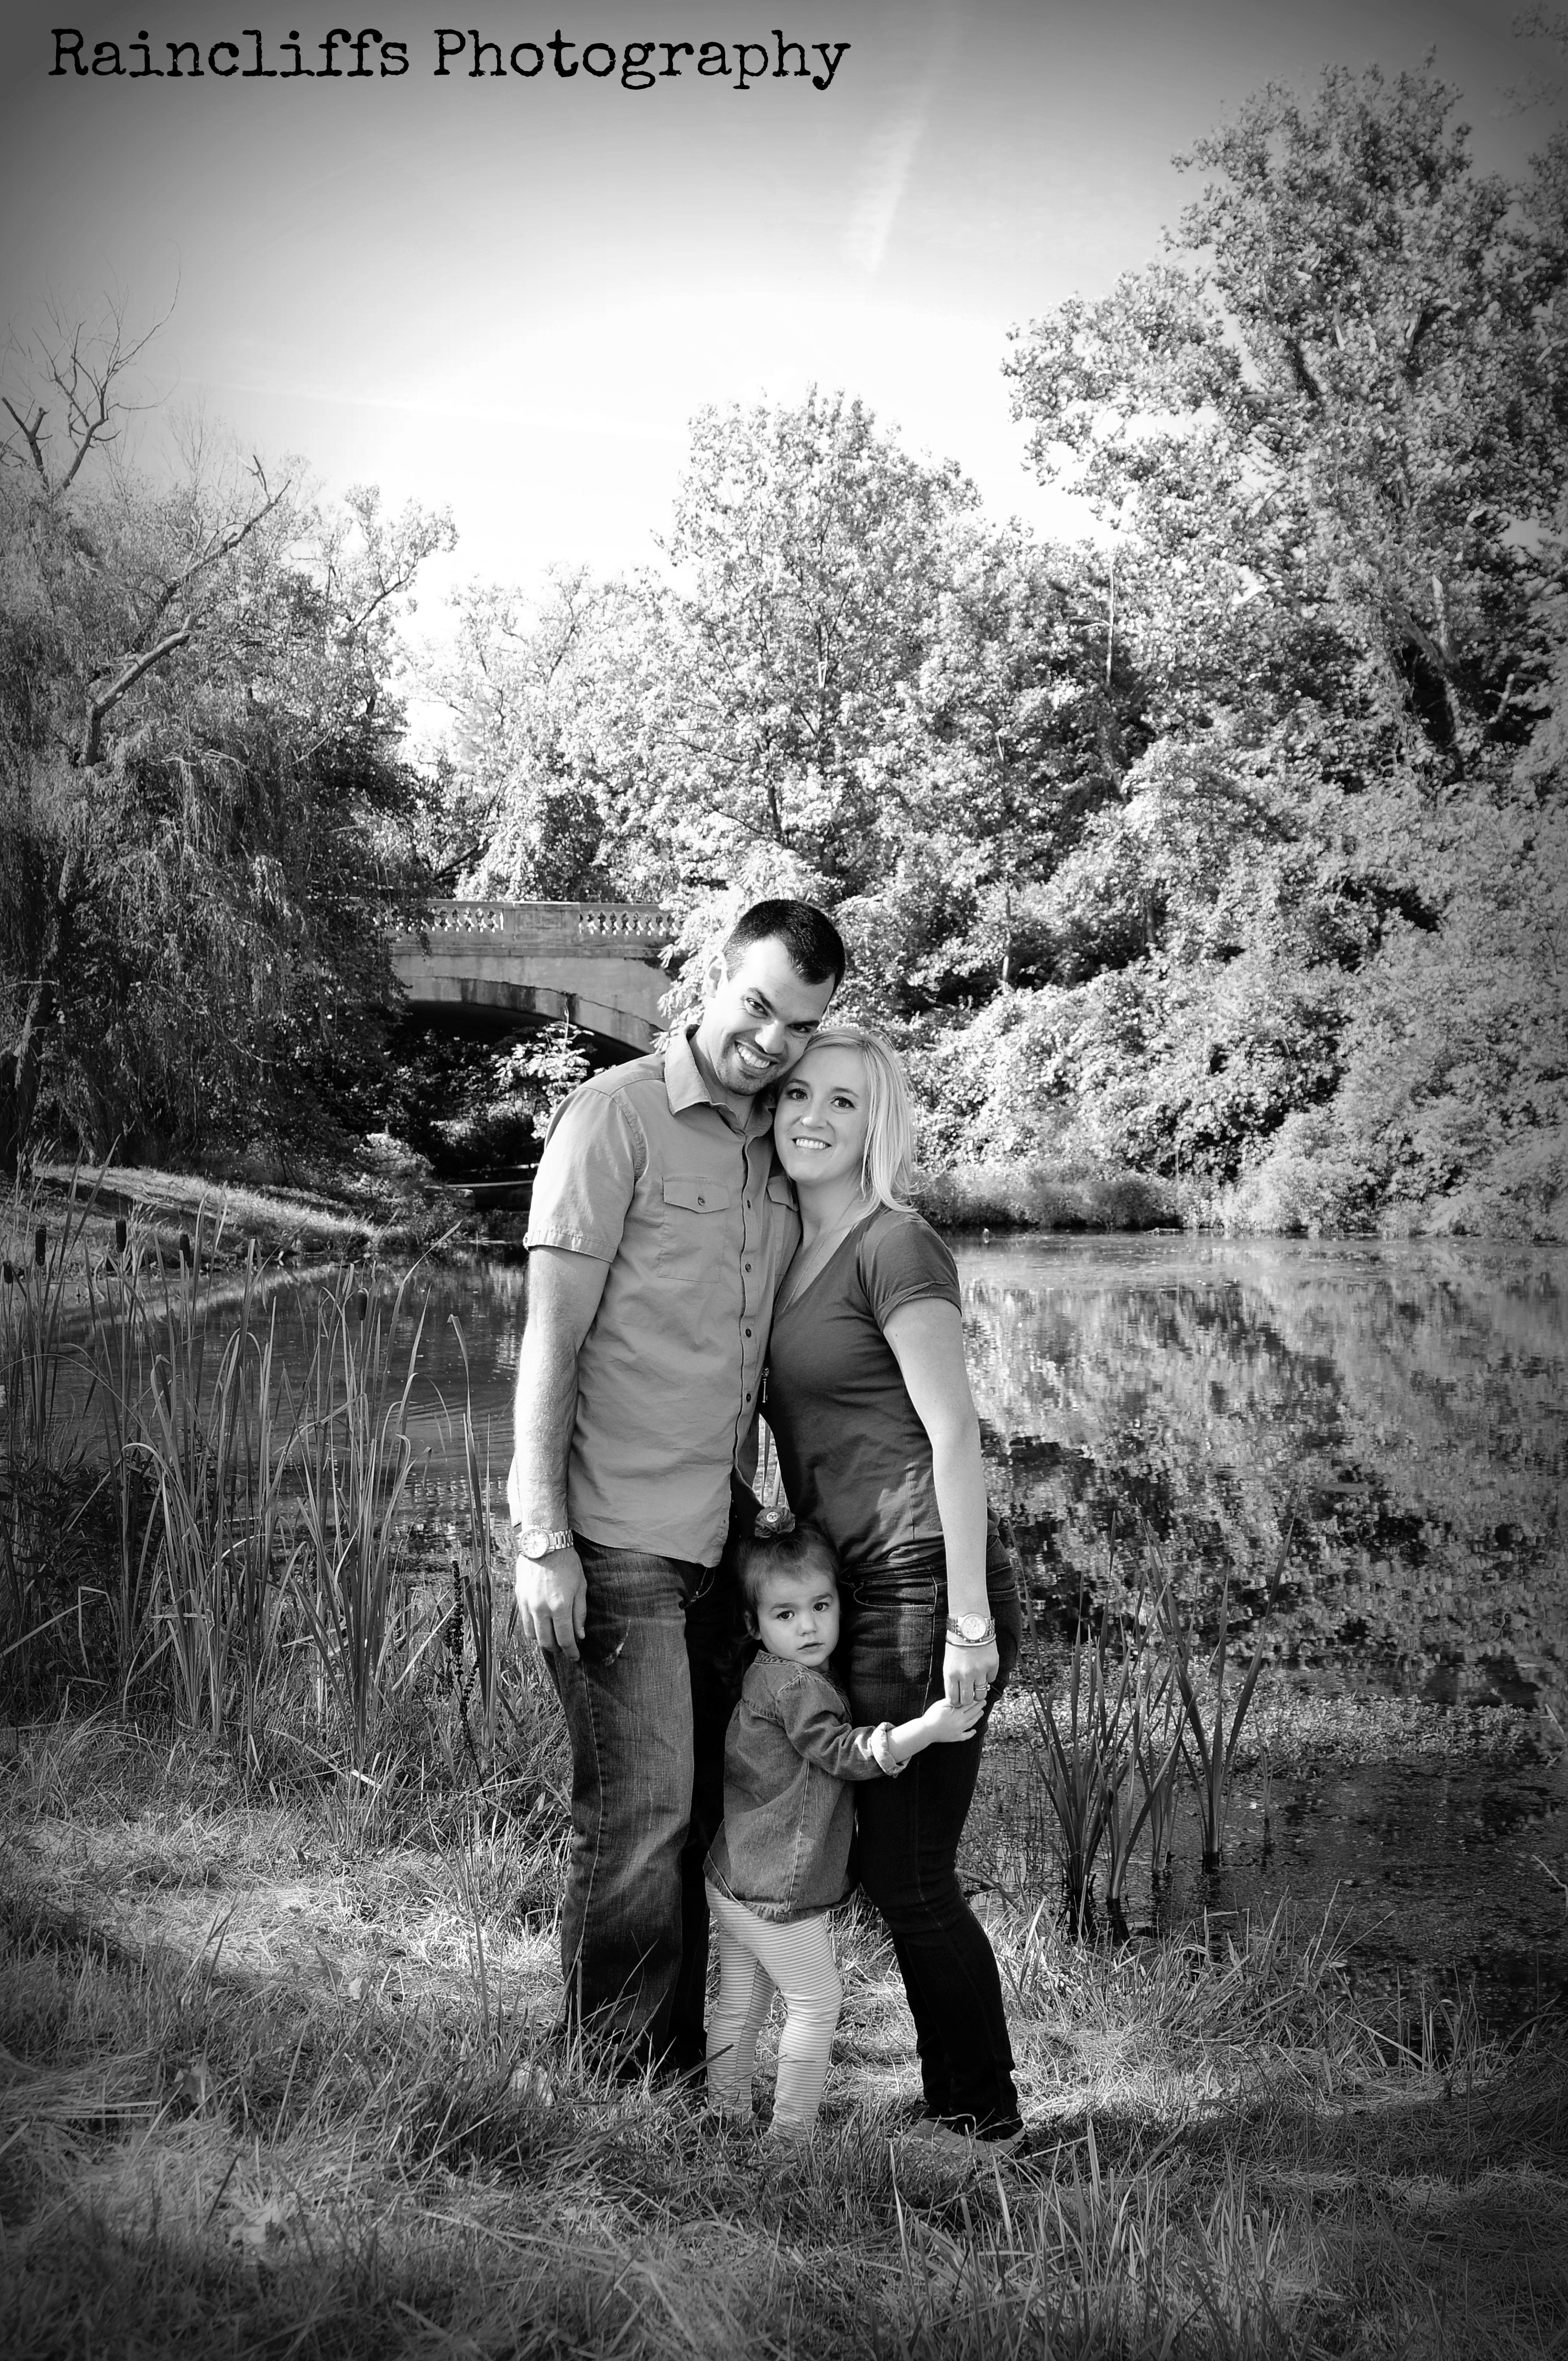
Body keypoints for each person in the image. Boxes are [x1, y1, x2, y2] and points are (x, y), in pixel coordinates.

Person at [507, 898, 845, 2077]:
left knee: (696, 1817)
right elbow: (549, 1337)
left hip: (719, 1540)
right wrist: (538, 1533)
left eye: (800, 1026)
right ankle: (608, 2079)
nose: (771, 1040)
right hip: (613, 1533)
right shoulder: (615, 1116)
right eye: (757, 1006)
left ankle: (673, 2062)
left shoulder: (779, 1145)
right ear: (712, 977)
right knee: (636, 1818)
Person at [762, 1023, 1029, 2149]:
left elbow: (955, 1435)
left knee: (907, 1869)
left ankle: (982, 2114)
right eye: (798, 1094)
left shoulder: (895, 1243)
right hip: (855, 1585)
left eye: (843, 1101)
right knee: (890, 1865)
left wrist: (968, 1620)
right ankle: (955, 2095)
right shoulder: (789, 1249)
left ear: (877, 1125)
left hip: (923, 1581)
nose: (812, 1116)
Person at [704, 1517, 983, 2142]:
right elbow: (842, 1752)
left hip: (731, 1874)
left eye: (820, 1606)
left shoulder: (765, 1672)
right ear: (754, 1623)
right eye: (785, 1614)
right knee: (816, 2002)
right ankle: (790, 2138)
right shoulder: (798, 1687)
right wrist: (926, 1730)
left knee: (743, 2001)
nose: (807, 1626)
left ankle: (725, 2111)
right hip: (777, 1888)